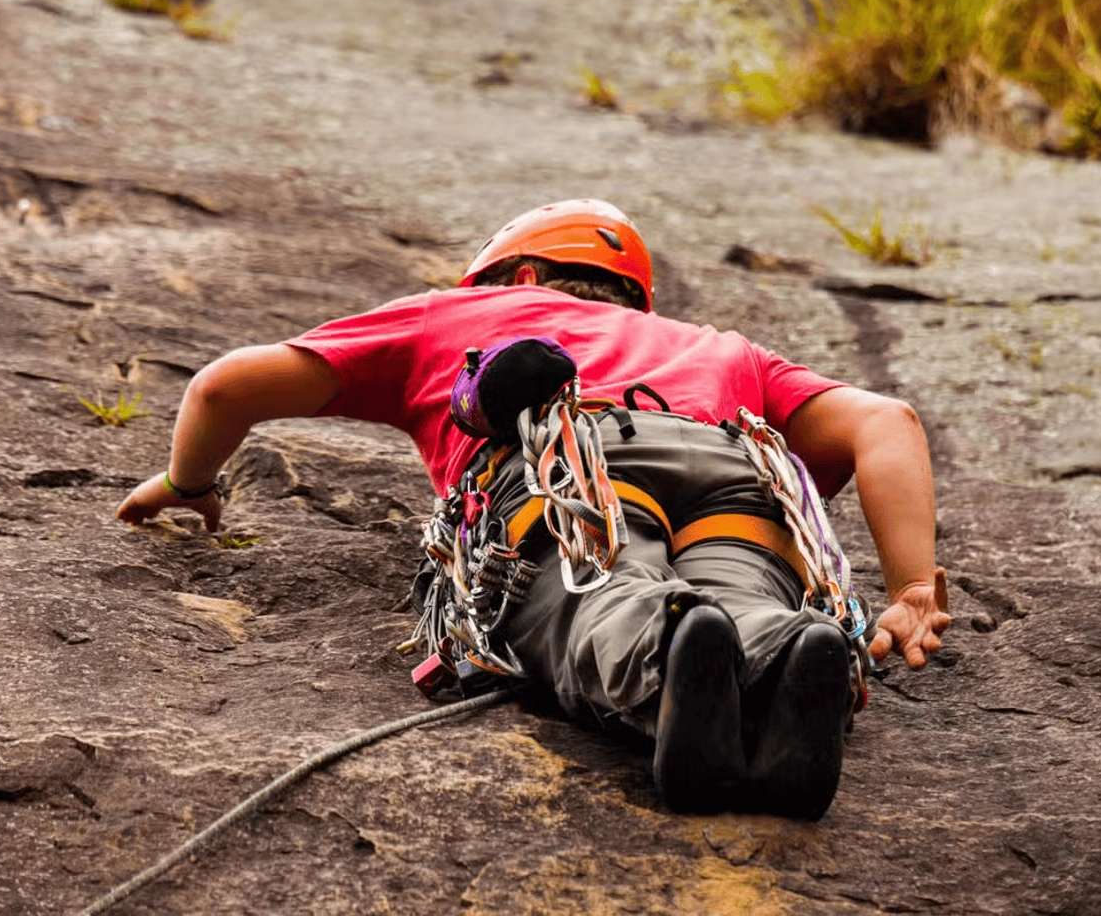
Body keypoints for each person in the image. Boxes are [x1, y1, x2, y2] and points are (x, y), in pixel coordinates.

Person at [116, 199, 951, 819]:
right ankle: (789, 647)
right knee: (749, 591)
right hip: (736, 472)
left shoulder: (460, 313)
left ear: (518, 278)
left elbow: (224, 386)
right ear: (631, 300)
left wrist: (188, 483)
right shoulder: (718, 347)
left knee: (600, 590)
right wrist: (911, 587)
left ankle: (668, 645)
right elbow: (888, 422)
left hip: (573, 463)